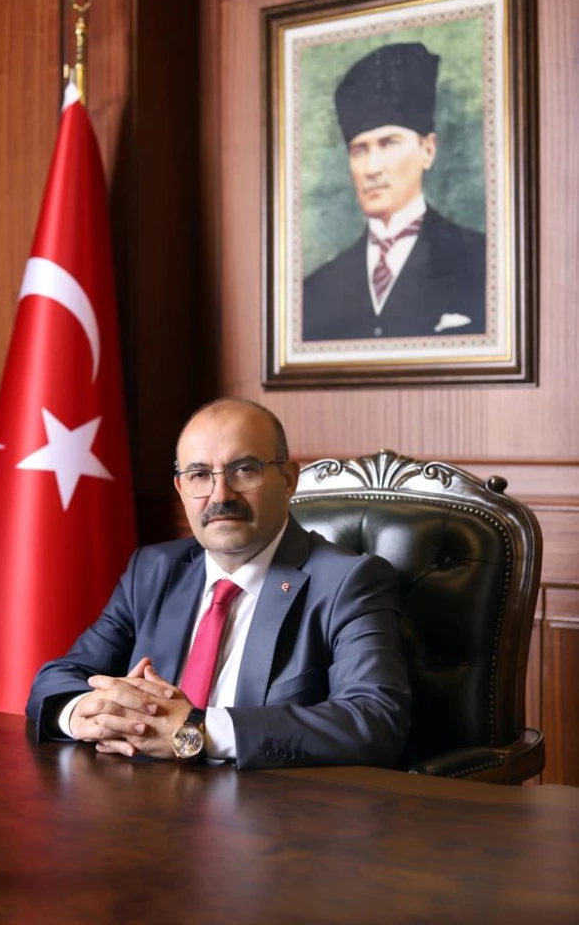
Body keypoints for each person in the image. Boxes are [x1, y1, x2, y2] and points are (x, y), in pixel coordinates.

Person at [26, 398, 410, 769]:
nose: (220, 495)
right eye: (199, 475)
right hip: (140, 796)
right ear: (181, 489)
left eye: (243, 470)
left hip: (270, 806)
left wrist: (196, 729)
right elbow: (56, 680)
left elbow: (374, 719)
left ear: (288, 479)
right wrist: (86, 714)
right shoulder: (153, 570)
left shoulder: (347, 582)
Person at [303, 42, 486, 342]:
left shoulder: (483, 262)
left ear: (428, 150)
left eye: (389, 143)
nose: (372, 167)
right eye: (359, 150)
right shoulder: (314, 293)